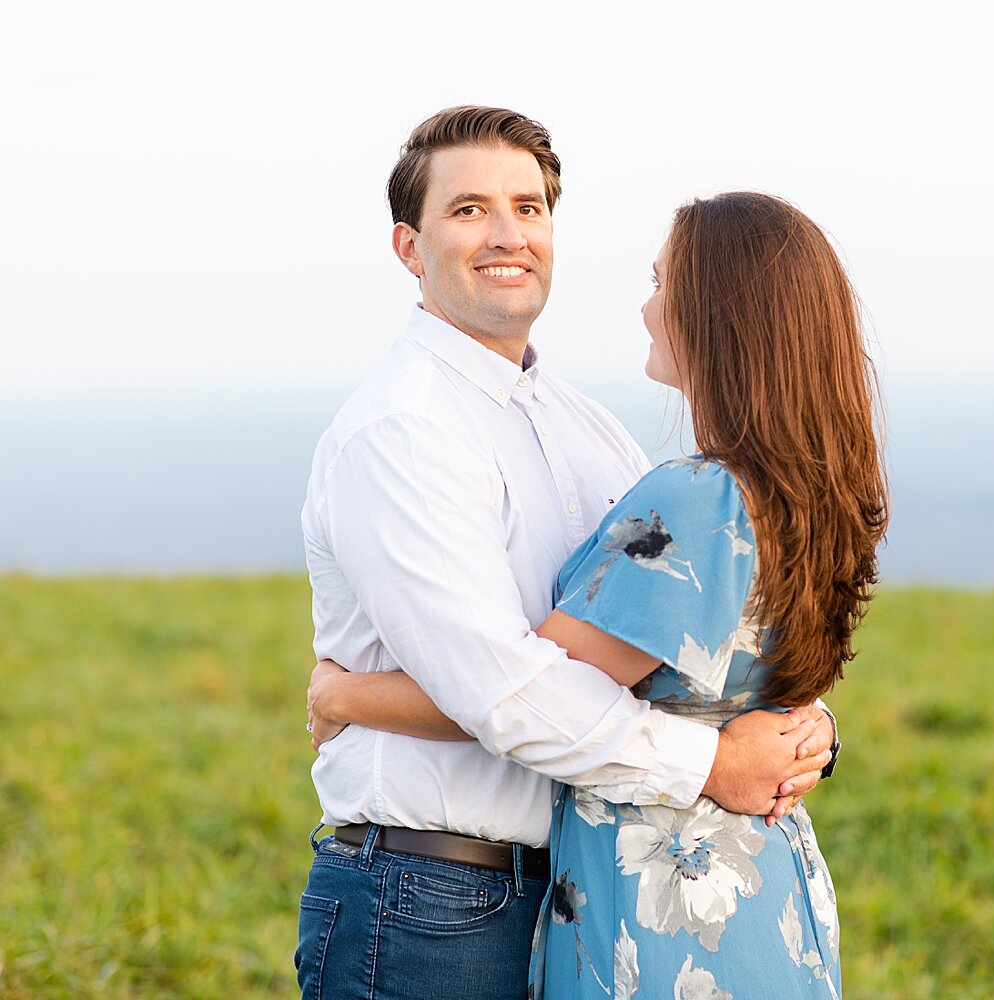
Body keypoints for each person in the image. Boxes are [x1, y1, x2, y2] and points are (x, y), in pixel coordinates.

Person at [294, 106, 835, 1000]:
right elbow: (506, 693)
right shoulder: (404, 430)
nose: (509, 234)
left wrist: (803, 728)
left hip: (577, 889)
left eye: (530, 207)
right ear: (408, 246)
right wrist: (717, 764)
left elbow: (679, 651)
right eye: (468, 210)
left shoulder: (592, 434)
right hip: (434, 898)